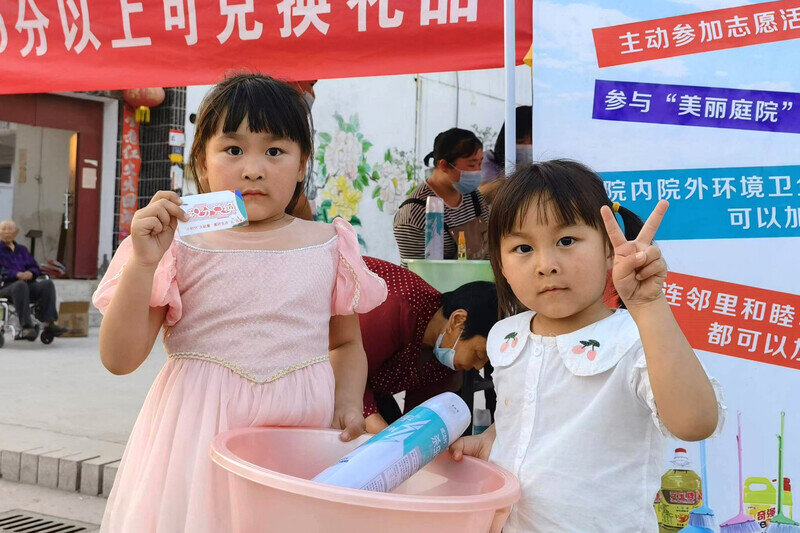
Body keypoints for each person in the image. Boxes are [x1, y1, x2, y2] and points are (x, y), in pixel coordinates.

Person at [91, 73, 387, 531]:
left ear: (303, 164)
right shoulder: (174, 245)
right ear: (201, 163)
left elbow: (346, 344)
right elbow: (119, 358)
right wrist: (143, 264)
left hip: (299, 440)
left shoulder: (330, 244)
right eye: (233, 149)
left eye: (275, 151)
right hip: (196, 441)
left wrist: (348, 400)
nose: (253, 169)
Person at [449, 160, 725, 532]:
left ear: (609, 249)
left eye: (566, 241)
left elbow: (695, 422)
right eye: (523, 247)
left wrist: (649, 305)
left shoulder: (635, 338)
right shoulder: (505, 336)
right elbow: (528, 415)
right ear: (500, 262)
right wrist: (490, 440)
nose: (546, 265)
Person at [359, 256, 499, 434]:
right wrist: (390, 439)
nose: (478, 366)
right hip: (335, 373)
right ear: (457, 320)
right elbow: (342, 374)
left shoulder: (445, 366)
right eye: (478, 354)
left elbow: (418, 423)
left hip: (367, 390)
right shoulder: (397, 305)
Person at [393, 128, 489, 265]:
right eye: (471, 165)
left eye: (480, 164)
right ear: (443, 165)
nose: (478, 171)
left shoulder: (474, 198)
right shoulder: (413, 214)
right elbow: (416, 272)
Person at [0, 220, 67, 340]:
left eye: (10, 229)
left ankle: (49, 324)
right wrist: (16, 274)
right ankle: (26, 326)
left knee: (47, 284)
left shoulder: (22, 250)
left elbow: (35, 267)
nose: (7, 232)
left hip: (27, 284)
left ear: (16, 232)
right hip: (6, 286)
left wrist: (30, 273)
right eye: (4, 229)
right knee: (20, 285)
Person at [479, 105, 533, 205]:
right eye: (520, 141)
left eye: (533, 142)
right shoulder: (488, 163)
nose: (527, 146)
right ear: (505, 140)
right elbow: (481, 195)